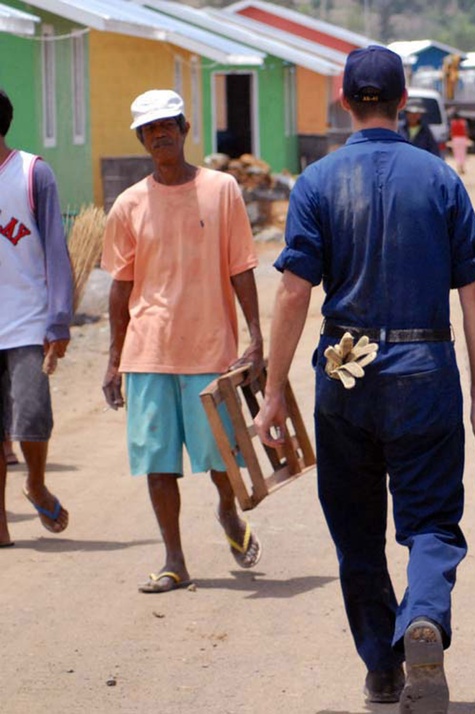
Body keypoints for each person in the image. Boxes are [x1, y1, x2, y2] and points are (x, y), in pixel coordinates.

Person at [253, 46, 475, 711]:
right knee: (432, 524)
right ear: (404, 101)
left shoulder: (317, 181)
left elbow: (293, 293)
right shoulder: (441, 179)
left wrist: (273, 392)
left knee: (356, 531)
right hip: (425, 370)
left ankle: (383, 671)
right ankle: (423, 617)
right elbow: (474, 293)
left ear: (343, 99)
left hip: (345, 374)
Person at [101, 89, 265, 593]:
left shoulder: (222, 190)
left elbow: (241, 267)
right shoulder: (129, 204)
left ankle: (228, 515)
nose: (160, 134)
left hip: (211, 350)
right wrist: (113, 359)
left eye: (167, 124)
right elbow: (121, 285)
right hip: (149, 352)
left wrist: (256, 338)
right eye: (149, 129)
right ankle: (174, 560)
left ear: (185, 127)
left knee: (220, 463)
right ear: (141, 138)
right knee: (157, 463)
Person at [0, 88, 73, 547]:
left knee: (31, 416)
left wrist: (59, 320)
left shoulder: (31, 174)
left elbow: (55, 251)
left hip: (27, 320)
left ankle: (36, 483)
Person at [448, 110, 469, 175]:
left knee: (457, 153)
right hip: (462, 138)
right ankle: (462, 167)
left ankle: (458, 166)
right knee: (462, 153)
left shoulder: (453, 123)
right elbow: (466, 131)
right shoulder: (463, 122)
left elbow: (451, 132)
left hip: (455, 139)